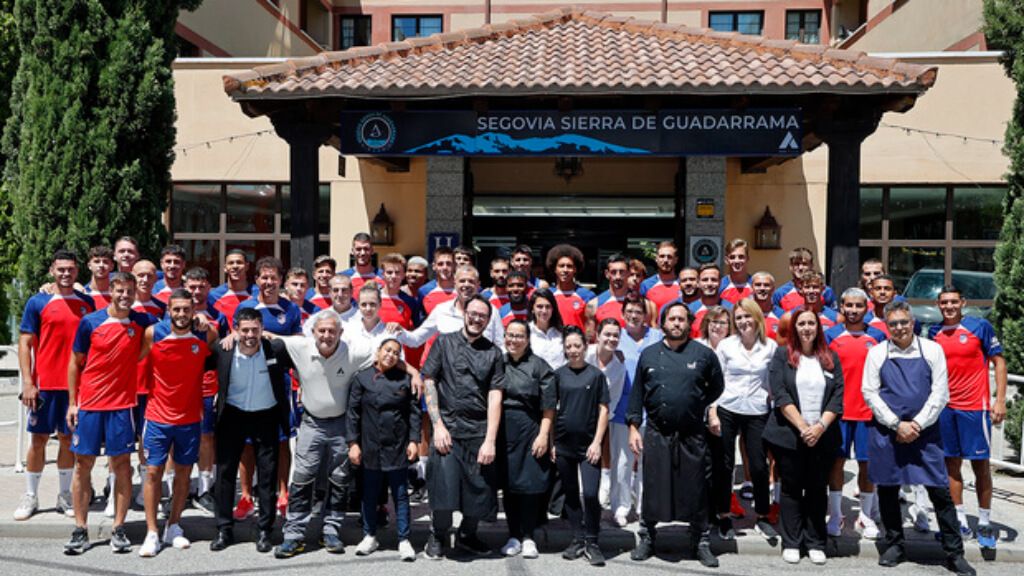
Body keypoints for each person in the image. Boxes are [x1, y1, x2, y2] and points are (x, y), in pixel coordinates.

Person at [862, 301, 975, 576]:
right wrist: (895, 424)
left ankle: (954, 552)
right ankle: (894, 545)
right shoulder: (877, 353)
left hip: (925, 433)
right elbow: (870, 392)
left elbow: (940, 393)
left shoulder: (933, 350)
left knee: (939, 490)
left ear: (912, 323)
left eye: (903, 322)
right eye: (893, 324)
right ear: (886, 326)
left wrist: (916, 424)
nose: (899, 328)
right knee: (888, 489)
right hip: (888, 432)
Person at [64, 272, 154, 555]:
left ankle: (119, 528)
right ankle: (80, 530)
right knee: (83, 465)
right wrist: (72, 402)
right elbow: (74, 363)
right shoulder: (90, 322)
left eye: (130, 291)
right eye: (120, 290)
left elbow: (166, 331)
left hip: (122, 407)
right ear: (111, 291)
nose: (125, 295)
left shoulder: (142, 322)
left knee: (122, 467)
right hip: (90, 406)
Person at [627, 302, 723, 568]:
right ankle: (647, 537)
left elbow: (717, 387)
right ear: (663, 323)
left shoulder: (704, 355)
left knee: (696, 487)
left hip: (692, 434)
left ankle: (700, 540)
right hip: (658, 433)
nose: (677, 323)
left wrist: (693, 405)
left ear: (689, 323)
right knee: (655, 486)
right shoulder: (649, 355)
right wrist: (634, 426)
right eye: (672, 319)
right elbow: (637, 394)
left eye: (682, 319)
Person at [420, 295, 505, 559]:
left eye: (483, 315)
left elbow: (495, 395)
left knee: (478, 493)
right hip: (448, 429)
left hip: (478, 431)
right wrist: (438, 426)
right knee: (443, 491)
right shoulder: (444, 343)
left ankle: (468, 535)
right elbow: (429, 381)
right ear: (464, 313)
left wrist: (490, 439)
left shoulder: (494, 353)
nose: (477, 318)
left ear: (488, 320)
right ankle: (438, 534)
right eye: (473, 313)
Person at [16, 249, 95, 521]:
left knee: (67, 439)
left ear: (77, 272)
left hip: (76, 387)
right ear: (52, 270)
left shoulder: (87, 304)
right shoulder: (38, 302)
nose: (65, 273)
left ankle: (64, 495)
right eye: (60, 269)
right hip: (45, 385)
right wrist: (28, 382)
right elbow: (25, 344)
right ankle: (31, 495)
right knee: (37, 439)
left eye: (70, 269)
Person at [136, 289, 216, 557]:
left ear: (193, 310)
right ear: (168, 310)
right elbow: (135, 363)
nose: (181, 314)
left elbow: (220, 343)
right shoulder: (153, 333)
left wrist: (207, 322)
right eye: (177, 309)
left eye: (186, 309)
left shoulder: (204, 334)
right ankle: (151, 532)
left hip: (190, 418)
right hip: (157, 416)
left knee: (183, 474)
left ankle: (174, 525)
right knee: (152, 473)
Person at [762, 307, 843, 565]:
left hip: (823, 436)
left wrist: (819, 427)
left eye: (811, 323)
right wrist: (802, 427)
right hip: (790, 435)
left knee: (818, 489)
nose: (806, 328)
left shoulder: (831, 358)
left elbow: (837, 397)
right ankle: (792, 542)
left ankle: (816, 541)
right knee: (791, 489)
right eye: (801, 324)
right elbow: (780, 394)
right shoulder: (781, 356)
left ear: (818, 328)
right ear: (793, 329)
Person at [208, 307, 291, 553]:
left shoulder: (274, 349)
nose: (250, 335)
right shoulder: (223, 351)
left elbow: (303, 349)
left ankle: (265, 530)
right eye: (245, 330)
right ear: (235, 330)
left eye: (255, 329)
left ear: (262, 329)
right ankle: (224, 528)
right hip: (232, 415)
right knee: (224, 474)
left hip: (266, 415)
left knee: (267, 476)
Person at [929, 285, 1007, 549]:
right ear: (938, 305)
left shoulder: (979, 327)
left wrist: (999, 400)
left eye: (953, 302)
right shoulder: (933, 332)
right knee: (951, 464)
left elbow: (999, 362)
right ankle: (960, 520)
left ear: (962, 303)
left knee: (980, 466)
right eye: (944, 302)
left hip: (976, 408)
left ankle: (985, 522)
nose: (949, 306)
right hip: (945, 409)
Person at [234, 256, 302, 520]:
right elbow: (234, 339)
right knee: (247, 443)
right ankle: (246, 496)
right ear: (257, 280)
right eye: (264, 277)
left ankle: (283, 494)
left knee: (283, 441)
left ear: (281, 280)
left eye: (274, 277)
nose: (269, 282)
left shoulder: (290, 310)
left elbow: (298, 344)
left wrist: (275, 338)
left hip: (279, 383)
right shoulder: (245, 307)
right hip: (248, 384)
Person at [708, 299, 778, 540]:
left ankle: (761, 514)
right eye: (738, 318)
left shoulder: (770, 347)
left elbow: (772, 382)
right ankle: (724, 515)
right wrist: (713, 411)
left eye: (747, 317)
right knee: (724, 464)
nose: (743, 322)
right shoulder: (727, 346)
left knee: (759, 465)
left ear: (757, 318)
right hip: (728, 407)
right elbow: (716, 381)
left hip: (757, 410)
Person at [347, 338, 421, 561]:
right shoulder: (362, 378)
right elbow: (353, 413)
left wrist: (414, 440)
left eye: (396, 352)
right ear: (378, 351)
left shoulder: (406, 380)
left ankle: (404, 539)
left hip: (398, 445)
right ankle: (370, 535)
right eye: (387, 350)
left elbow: (414, 413)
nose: (391, 355)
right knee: (369, 494)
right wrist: (353, 444)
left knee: (400, 494)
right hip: (369, 445)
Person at [824, 288, 886, 540]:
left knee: (867, 465)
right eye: (848, 305)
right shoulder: (830, 335)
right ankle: (836, 514)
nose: (853, 310)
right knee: (836, 462)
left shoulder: (879, 336)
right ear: (841, 307)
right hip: (838, 411)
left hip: (868, 412)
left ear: (867, 307)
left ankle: (866, 516)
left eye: (858, 306)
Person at [498, 320, 556, 559]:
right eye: (510, 335)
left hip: (531, 429)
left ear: (528, 339)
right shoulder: (497, 362)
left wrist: (544, 435)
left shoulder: (539, 366)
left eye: (519, 336)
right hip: (503, 431)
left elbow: (549, 407)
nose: (514, 340)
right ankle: (513, 535)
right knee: (510, 486)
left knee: (530, 486)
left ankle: (529, 536)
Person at [554, 325, 610, 566]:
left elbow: (604, 409)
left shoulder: (596, 376)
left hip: (589, 446)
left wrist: (597, 442)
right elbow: (550, 410)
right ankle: (577, 538)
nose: (573, 350)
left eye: (577, 346)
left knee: (589, 493)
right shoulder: (558, 375)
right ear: (564, 349)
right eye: (569, 347)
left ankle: (592, 541)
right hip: (564, 445)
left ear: (586, 348)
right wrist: (551, 443)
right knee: (570, 495)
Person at [183, 267, 228, 515]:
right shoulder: (174, 312)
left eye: (201, 287)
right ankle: (175, 491)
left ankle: (204, 490)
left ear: (209, 288)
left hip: (208, 384)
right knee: (175, 437)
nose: (197, 291)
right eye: (192, 287)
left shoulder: (218, 316)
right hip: (178, 386)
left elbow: (220, 349)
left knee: (206, 437)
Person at [586, 318, 631, 527]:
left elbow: (612, 400)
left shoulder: (619, 368)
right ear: (597, 335)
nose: (611, 339)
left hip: (605, 416)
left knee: (618, 462)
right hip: (577, 415)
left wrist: (598, 422)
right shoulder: (585, 354)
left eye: (615, 336)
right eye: (607, 334)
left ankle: (618, 508)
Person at [546, 244, 595, 330]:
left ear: (575, 269)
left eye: (569, 266)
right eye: (561, 266)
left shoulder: (588, 296)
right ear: (555, 269)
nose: (565, 270)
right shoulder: (547, 295)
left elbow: (591, 326)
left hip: (578, 342)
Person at [772, 247, 835, 312]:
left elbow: (833, 317)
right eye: (796, 264)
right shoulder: (780, 293)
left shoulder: (826, 292)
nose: (800, 268)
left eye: (804, 264)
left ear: (811, 266)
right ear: (790, 267)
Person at [586, 253, 630, 334]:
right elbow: (590, 338)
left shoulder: (642, 303)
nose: (618, 277)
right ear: (607, 274)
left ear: (628, 273)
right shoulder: (593, 304)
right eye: (613, 272)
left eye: (622, 272)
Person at [210, 249, 253, 328]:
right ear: (225, 268)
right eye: (231, 263)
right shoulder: (214, 295)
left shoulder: (257, 293)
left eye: (239, 262)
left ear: (247, 266)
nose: (235, 266)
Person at [640, 241, 682, 313]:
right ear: (656, 259)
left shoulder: (683, 283)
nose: (665, 260)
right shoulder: (646, 285)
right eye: (662, 256)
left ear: (676, 260)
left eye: (669, 257)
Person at [528, 289, 565, 369]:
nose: (544, 311)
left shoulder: (562, 333)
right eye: (540, 306)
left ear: (553, 309)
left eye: (548, 307)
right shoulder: (526, 333)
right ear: (532, 309)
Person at [418, 247, 457, 315]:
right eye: (440, 264)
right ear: (434, 266)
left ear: (455, 265)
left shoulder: (463, 288)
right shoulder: (424, 291)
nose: (445, 268)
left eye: (448, 264)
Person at [719, 239, 753, 305]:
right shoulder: (720, 285)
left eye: (741, 257)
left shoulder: (755, 285)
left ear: (747, 258)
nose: (737, 261)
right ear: (726, 260)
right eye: (732, 257)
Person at [751, 271, 782, 340]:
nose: (762, 288)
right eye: (758, 285)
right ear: (751, 288)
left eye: (766, 285)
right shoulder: (744, 312)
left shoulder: (781, 316)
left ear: (773, 289)